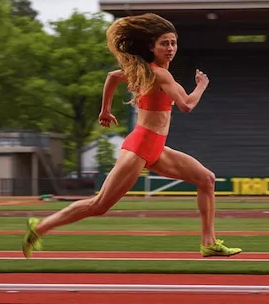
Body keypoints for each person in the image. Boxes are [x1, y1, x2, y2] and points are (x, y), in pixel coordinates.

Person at [22, 13, 242, 258]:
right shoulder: (160, 74)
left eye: (173, 43)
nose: (170, 48)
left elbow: (112, 77)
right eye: (164, 43)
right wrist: (201, 85)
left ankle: (209, 243)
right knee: (99, 205)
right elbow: (187, 106)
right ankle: (39, 227)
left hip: (156, 147)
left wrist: (105, 110)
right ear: (152, 47)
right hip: (139, 147)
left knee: (206, 180)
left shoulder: (149, 72)